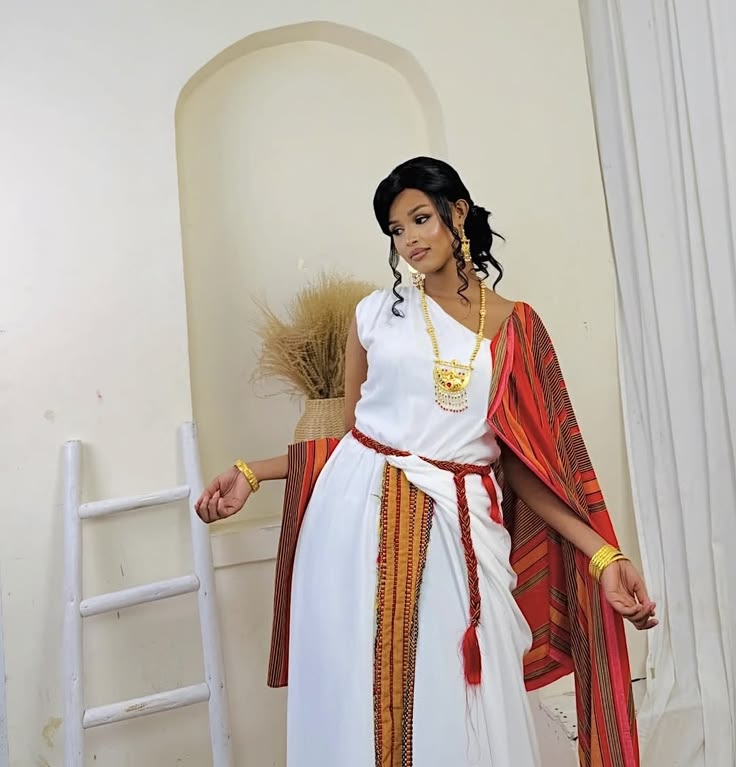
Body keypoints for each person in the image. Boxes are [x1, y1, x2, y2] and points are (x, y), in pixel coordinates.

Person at [195, 157, 657, 767]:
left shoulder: (516, 327)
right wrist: (253, 472)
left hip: (461, 528)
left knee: (458, 696)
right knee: (358, 696)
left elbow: (529, 462)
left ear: (456, 213)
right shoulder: (374, 315)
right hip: (355, 524)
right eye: (395, 229)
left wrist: (602, 555)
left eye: (419, 219)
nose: (409, 239)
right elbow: (354, 437)